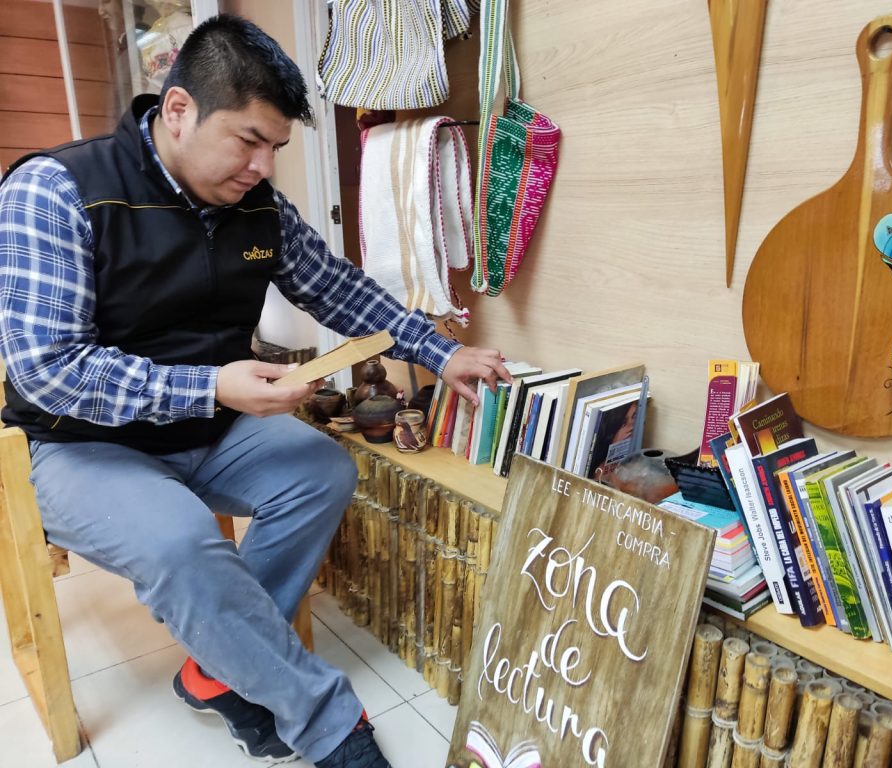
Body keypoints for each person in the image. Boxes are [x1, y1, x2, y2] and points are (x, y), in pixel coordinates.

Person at [0, 14, 510, 768]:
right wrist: (212, 386)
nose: (263, 166)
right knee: (181, 542)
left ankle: (216, 668)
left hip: (205, 426)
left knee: (321, 471)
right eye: (248, 141)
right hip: (80, 443)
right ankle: (329, 726)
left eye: (277, 147)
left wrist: (443, 350)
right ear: (178, 111)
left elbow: (336, 289)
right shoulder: (57, 189)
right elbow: (48, 368)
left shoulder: (257, 207)